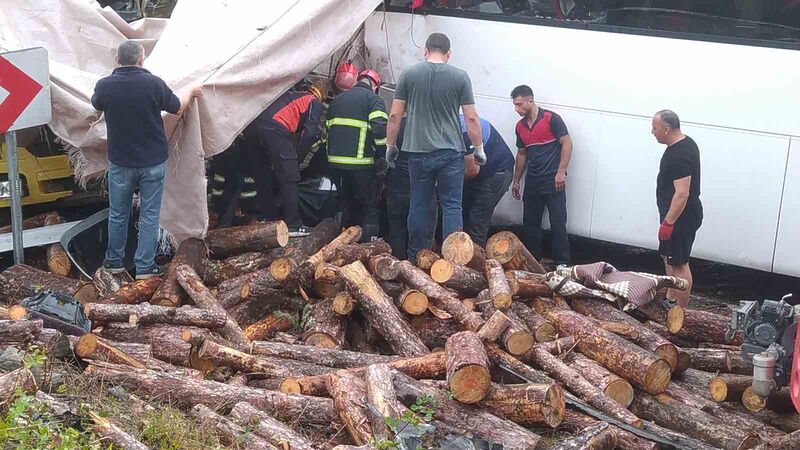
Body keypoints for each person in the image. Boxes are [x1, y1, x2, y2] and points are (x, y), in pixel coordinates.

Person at [92, 40, 201, 279]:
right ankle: (144, 267)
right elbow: (177, 108)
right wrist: (192, 91)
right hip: (152, 162)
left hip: (121, 162)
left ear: (117, 60)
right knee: (149, 215)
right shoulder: (154, 84)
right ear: (141, 60)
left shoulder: (104, 86)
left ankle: (113, 262)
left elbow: (95, 106)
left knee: (118, 214)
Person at [385, 32, 484, 262]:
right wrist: (478, 148)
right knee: (451, 205)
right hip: (450, 152)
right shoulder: (460, 77)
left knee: (418, 203)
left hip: (417, 153)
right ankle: (454, 260)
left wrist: (390, 145)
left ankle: (415, 257)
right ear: (449, 54)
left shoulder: (409, 74)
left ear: (426, 51)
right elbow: (471, 118)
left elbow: (395, 115)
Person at [242, 82, 323, 234]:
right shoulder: (313, 101)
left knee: (262, 174)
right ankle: (294, 224)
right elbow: (309, 133)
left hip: (253, 126)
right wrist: (297, 159)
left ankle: (267, 218)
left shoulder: (287, 97)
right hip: (275, 126)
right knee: (289, 177)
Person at [510, 84, 572, 266]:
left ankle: (562, 262)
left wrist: (561, 171)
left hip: (553, 180)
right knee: (530, 223)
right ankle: (532, 261)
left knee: (558, 222)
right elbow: (522, 154)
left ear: (530, 100)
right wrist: (516, 180)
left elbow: (567, 143)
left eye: (520, 105)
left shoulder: (551, 118)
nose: (517, 109)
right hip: (533, 181)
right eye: (515, 105)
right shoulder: (520, 126)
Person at [326, 70, 388, 242]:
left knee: (343, 201)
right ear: (376, 86)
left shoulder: (338, 100)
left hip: (335, 164)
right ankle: (368, 246)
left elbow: (327, 129)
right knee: (370, 206)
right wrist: (382, 156)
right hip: (361, 164)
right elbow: (379, 129)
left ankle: (335, 243)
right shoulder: (374, 100)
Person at [651, 109, 702, 308]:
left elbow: (682, 193)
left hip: (681, 217)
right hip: (673, 215)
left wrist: (668, 222)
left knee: (679, 264)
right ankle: (671, 298)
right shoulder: (682, 144)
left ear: (666, 129)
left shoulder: (679, 155)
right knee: (668, 256)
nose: (652, 132)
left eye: (654, 128)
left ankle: (682, 312)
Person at [460, 115, 515, 246]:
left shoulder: (466, 132)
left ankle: (474, 260)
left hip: (497, 173)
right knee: (463, 210)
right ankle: (461, 253)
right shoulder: (451, 124)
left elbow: (472, 170)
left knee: (478, 217)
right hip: (481, 173)